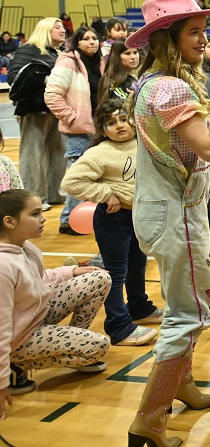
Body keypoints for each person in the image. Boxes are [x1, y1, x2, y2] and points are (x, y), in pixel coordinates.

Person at [125, 0, 210, 447]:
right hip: (174, 213)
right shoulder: (171, 88)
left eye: (203, 30)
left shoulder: (156, 81)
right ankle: (149, 422)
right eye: (193, 32)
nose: (204, 39)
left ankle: (185, 385)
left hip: (172, 209)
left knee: (186, 304)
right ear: (167, 39)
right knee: (189, 313)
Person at [60, 99, 160, 347]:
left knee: (138, 264)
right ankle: (118, 327)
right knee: (116, 272)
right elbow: (71, 182)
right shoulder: (99, 153)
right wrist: (106, 194)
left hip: (139, 216)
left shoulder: (143, 144)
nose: (120, 125)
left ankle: (139, 307)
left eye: (124, 119)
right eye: (111, 123)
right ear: (103, 130)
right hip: (113, 219)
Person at [0, 189, 111, 409]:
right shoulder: (3, 266)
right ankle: (16, 365)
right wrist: (1, 381)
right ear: (10, 221)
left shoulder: (25, 246)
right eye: (34, 214)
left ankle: (70, 344)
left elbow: (40, 279)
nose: (42, 219)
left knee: (99, 277)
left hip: (37, 315)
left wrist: (69, 272)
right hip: (19, 337)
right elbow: (1, 328)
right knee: (98, 346)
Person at [45, 26, 102, 235]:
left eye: (95, 38)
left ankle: (85, 219)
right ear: (77, 42)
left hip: (98, 129)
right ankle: (69, 220)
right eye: (86, 39)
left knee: (93, 175)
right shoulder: (68, 61)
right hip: (77, 130)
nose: (91, 42)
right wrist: (73, 117)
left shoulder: (99, 63)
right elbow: (51, 95)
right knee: (78, 174)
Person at [8, 18, 67, 211]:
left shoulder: (57, 53)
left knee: (58, 152)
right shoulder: (28, 49)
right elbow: (14, 77)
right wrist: (46, 79)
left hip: (54, 110)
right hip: (33, 110)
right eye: (57, 27)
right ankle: (34, 198)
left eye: (63, 27)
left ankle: (54, 193)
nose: (63, 30)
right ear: (45, 30)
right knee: (33, 153)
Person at [99, 40, 142, 106]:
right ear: (117, 56)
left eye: (135, 52)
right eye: (127, 53)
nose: (133, 57)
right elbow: (119, 108)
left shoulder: (140, 76)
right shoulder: (112, 80)